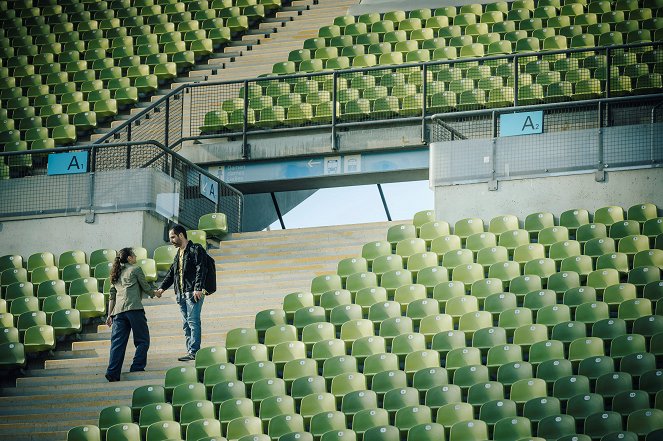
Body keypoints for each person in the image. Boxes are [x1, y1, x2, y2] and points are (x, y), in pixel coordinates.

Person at [105, 247, 160, 382]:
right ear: (129, 258)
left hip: (118, 312)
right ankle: (137, 367)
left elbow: (112, 296)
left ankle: (112, 372)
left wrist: (109, 315)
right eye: (134, 255)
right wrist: (156, 293)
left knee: (117, 344)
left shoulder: (115, 273)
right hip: (134, 309)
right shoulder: (136, 269)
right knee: (142, 340)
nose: (136, 257)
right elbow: (146, 288)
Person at [156, 224, 208, 361]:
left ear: (181, 235)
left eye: (172, 237)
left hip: (192, 293)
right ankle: (190, 350)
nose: (171, 240)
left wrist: (198, 287)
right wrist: (162, 288)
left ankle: (194, 351)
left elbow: (201, 268)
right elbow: (171, 273)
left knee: (193, 322)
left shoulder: (195, 249)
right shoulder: (178, 254)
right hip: (180, 294)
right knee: (186, 325)